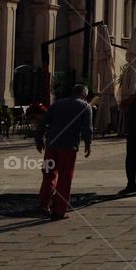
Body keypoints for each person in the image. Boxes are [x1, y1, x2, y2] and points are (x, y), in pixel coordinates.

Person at [35, 84, 93, 220]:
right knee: (65, 178)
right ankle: (59, 211)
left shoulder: (57, 104)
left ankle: (43, 204)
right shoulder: (85, 106)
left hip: (51, 145)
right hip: (68, 146)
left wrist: (39, 140)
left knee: (48, 174)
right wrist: (88, 144)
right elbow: (87, 128)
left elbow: (43, 122)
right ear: (84, 94)